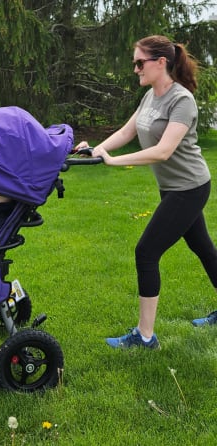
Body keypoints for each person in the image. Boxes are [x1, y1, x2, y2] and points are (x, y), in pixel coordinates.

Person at [74, 35, 217, 349]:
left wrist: (114, 162)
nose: (135, 69)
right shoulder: (151, 96)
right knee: (204, 249)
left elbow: (163, 151)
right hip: (173, 188)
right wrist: (96, 150)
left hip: (190, 188)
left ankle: (145, 336)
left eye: (140, 62)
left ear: (161, 62)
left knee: (146, 251)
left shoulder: (182, 100)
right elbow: (128, 131)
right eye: (134, 63)